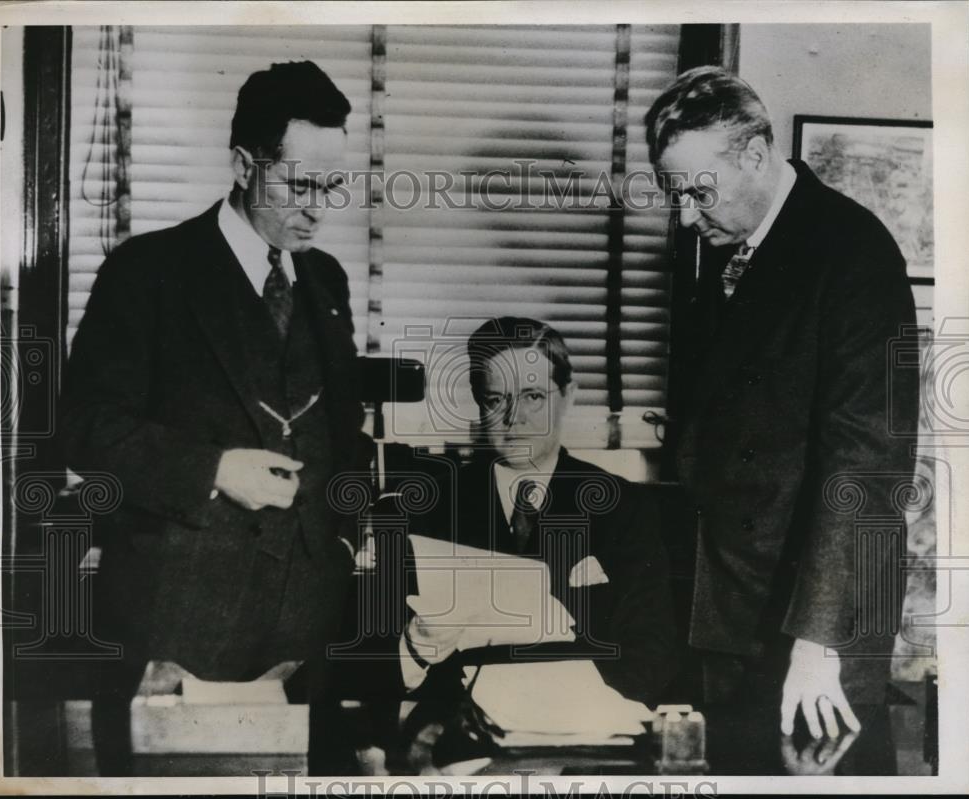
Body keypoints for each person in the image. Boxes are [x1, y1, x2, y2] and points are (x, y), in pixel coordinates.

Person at [59, 60, 364, 774]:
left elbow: (342, 436)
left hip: (304, 639)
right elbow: (83, 424)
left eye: (334, 183)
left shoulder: (327, 283)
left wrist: (347, 547)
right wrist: (214, 468)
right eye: (300, 183)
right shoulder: (148, 271)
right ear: (242, 164)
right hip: (179, 631)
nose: (319, 206)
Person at [644, 66, 918, 741]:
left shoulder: (854, 255)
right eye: (673, 194)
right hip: (732, 605)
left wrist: (819, 643)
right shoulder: (726, 246)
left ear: (757, 154)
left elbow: (865, 469)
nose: (684, 214)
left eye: (697, 191)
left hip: (817, 620)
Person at [375, 318, 676, 737]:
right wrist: (417, 647)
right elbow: (376, 673)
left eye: (533, 395)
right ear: (479, 403)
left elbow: (652, 653)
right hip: (458, 735)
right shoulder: (426, 508)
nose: (514, 418)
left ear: (568, 395)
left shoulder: (622, 507)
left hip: (583, 730)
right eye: (496, 399)